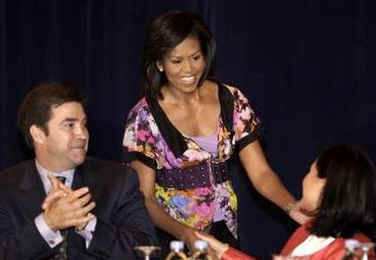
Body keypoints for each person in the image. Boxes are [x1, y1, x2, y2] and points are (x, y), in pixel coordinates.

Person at [122, 9, 306, 256]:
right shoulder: (144, 116)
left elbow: (261, 173)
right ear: (159, 63)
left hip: (224, 231)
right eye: (176, 61)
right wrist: (186, 235)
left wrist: (292, 207)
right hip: (173, 237)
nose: (189, 69)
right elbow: (144, 198)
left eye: (196, 57)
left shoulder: (232, 98)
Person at [0, 81, 158, 260]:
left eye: (83, 124)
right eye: (69, 125)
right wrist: (48, 223)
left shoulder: (118, 180)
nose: (82, 134)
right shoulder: (5, 188)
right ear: (38, 134)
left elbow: (147, 251)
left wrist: (88, 224)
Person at [195, 144, 376, 259]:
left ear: (327, 185)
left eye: (310, 173)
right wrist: (222, 250)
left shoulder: (355, 251)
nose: (304, 180)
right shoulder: (307, 231)